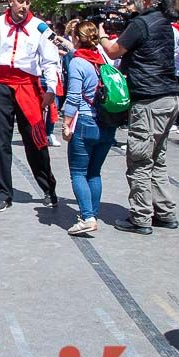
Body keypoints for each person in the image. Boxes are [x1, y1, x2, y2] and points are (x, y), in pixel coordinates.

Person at [100, 0, 179, 235]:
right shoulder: (165, 23)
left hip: (148, 100)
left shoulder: (141, 23)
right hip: (169, 98)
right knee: (158, 159)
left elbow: (113, 52)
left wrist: (102, 35)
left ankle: (141, 216)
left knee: (140, 160)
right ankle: (165, 211)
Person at [0, 0, 61, 212]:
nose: (24, 6)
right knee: (0, 142)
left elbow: (50, 60)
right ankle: (2, 194)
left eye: (28, 2)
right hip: (1, 85)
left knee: (35, 139)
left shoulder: (39, 28)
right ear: (10, 0)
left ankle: (48, 189)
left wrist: (51, 89)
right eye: (20, 1)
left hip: (27, 86)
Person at [61, 22, 118, 236]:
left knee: (78, 172)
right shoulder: (102, 59)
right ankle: (92, 213)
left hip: (85, 122)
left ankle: (87, 217)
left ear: (76, 38)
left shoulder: (78, 63)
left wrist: (66, 123)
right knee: (94, 173)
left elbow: (74, 96)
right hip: (107, 122)